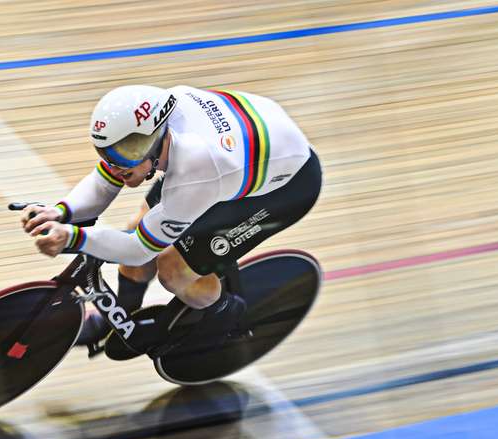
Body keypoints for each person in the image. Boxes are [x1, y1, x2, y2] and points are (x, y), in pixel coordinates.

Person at [21, 84, 322, 354]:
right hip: (238, 161)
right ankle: (121, 316)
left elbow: (140, 248)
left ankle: (224, 314)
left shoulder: (195, 168)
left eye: (126, 155)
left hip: (285, 188)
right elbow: (107, 182)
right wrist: (61, 211)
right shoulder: (154, 132)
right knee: (137, 225)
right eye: (107, 152)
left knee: (173, 269)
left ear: (153, 140)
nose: (117, 164)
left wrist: (74, 238)